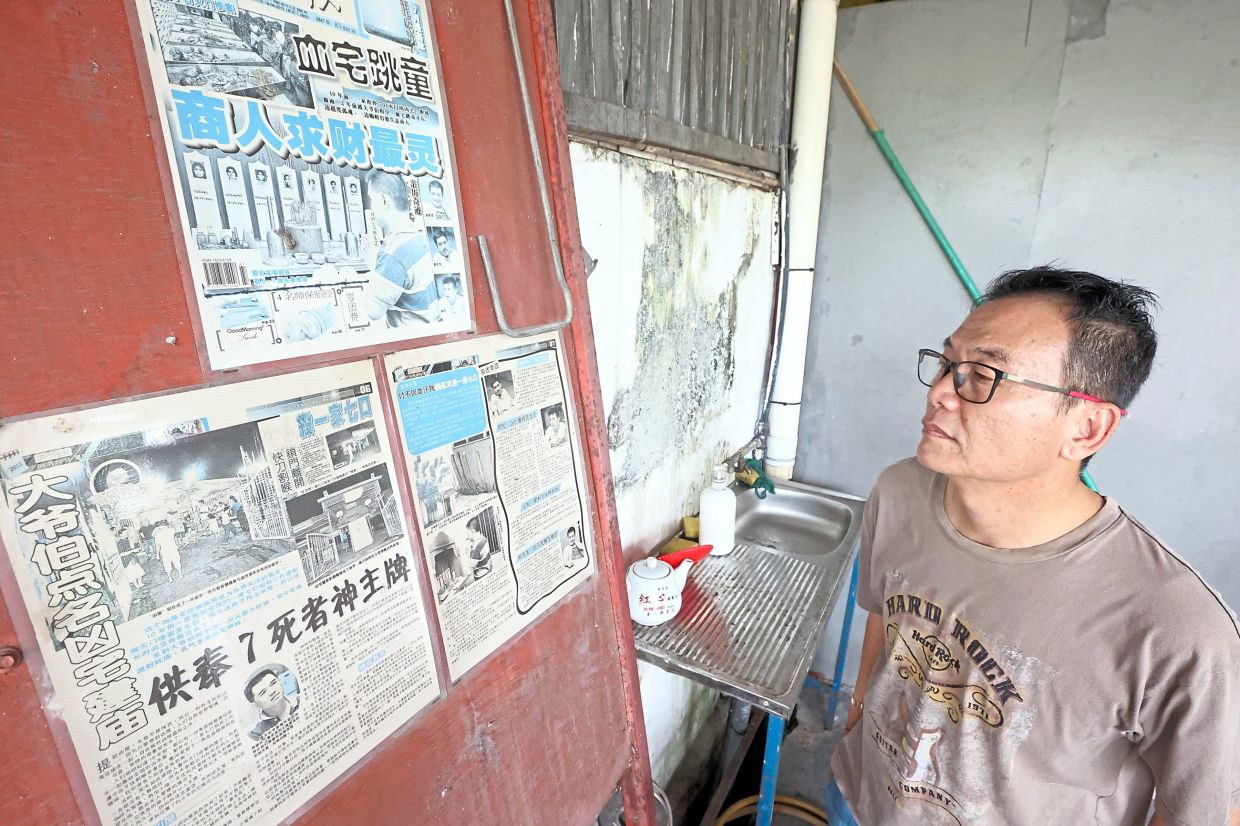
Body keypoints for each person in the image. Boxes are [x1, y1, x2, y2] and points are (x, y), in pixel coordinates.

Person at [829, 267, 1240, 826]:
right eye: (948, 364)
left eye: (983, 375)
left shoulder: (1178, 626)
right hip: (864, 801)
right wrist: (857, 717)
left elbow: (1203, 812)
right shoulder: (900, 491)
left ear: (1088, 427)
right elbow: (883, 613)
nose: (940, 391)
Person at [361, 169, 437, 327]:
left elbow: (373, 311)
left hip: (412, 341)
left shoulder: (394, 251)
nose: (371, 208)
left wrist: (371, 264)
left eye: (371, 199)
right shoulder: (418, 236)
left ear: (383, 201)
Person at [244, 667, 299, 741]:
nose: (272, 692)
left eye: (273, 683)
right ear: (256, 705)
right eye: (263, 692)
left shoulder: (301, 699)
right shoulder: (256, 735)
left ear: (280, 681)